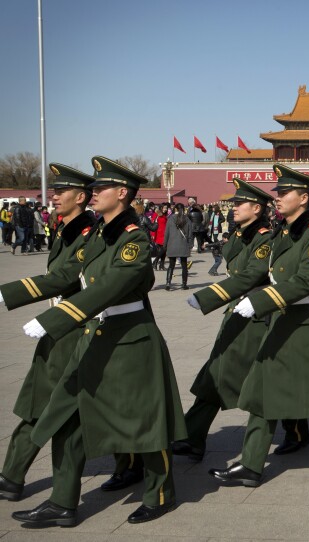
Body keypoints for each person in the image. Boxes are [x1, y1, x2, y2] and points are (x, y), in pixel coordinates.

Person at [13, 156, 186, 526]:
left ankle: (160, 494)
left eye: (101, 187)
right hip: (92, 337)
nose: (93, 193)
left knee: (145, 423)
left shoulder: (133, 239)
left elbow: (111, 286)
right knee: (66, 419)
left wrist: (56, 318)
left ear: (122, 193)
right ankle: (62, 502)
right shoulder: (97, 236)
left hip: (131, 341)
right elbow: (66, 275)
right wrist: (9, 293)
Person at [209, 165, 309, 485]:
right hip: (282, 320)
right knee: (261, 389)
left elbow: (306, 281)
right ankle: (251, 465)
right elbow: (261, 270)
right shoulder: (282, 232)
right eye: (277, 193)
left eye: (284, 193)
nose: (277, 198)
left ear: (304, 198)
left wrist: (260, 301)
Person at [173, 179, 302, 461]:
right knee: (217, 374)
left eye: (240, 204)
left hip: (255, 316)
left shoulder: (264, 238)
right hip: (237, 312)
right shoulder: (240, 235)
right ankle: (192, 437)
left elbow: (251, 275)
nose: (234, 208)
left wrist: (209, 295)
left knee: (241, 376)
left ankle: (296, 430)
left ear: (257, 209)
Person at [0, 164, 96, 503]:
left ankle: (17, 478)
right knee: (38, 401)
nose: (53, 197)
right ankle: (11, 475)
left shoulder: (89, 235)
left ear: (80, 197)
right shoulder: (67, 230)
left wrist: (9, 293)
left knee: (54, 406)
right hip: (57, 326)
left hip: (73, 330)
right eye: (54, 191)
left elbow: (65, 277)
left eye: (61, 191)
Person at [163, 203, 193, 290]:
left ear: (175, 209)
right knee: (184, 266)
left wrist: (165, 245)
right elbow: (190, 234)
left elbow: (166, 234)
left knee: (171, 265)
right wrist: (190, 245)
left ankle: (168, 283)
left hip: (172, 244)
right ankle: (184, 284)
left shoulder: (170, 219)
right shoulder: (187, 219)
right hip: (183, 244)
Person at [152, 202, 170, 270]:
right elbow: (153, 224)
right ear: (161, 208)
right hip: (159, 234)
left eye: (166, 208)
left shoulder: (165, 215)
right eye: (164, 208)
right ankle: (155, 261)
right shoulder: (156, 214)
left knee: (163, 250)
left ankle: (161, 265)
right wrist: (153, 234)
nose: (165, 209)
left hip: (165, 234)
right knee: (163, 249)